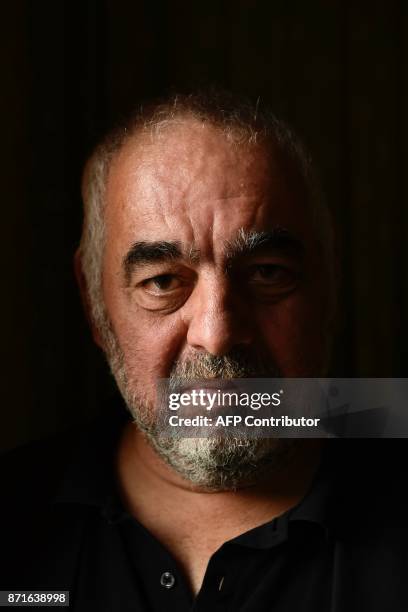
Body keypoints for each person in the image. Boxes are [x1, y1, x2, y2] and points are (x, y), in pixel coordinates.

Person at [1, 92, 407, 611]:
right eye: (163, 281)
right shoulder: (12, 521)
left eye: (266, 274)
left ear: (328, 284)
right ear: (93, 300)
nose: (216, 335)